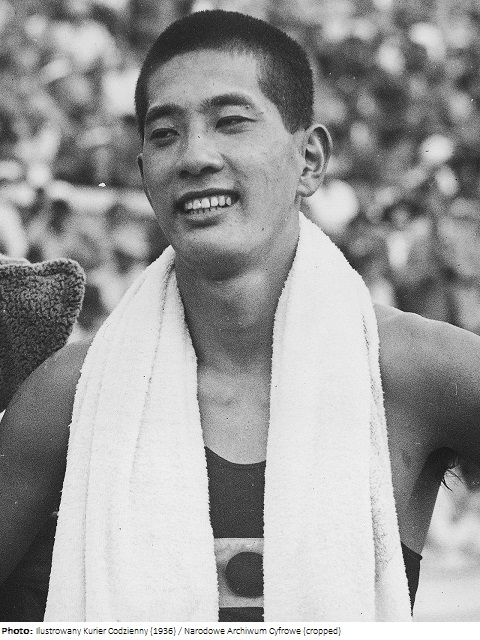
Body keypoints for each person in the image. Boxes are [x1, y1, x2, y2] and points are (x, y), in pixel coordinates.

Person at [2, 10, 480, 623]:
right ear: (143, 173)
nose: (195, 156)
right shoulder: (69, 395)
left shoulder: (415, 371)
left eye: (231, 122)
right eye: (165, 134)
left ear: (310, 160)